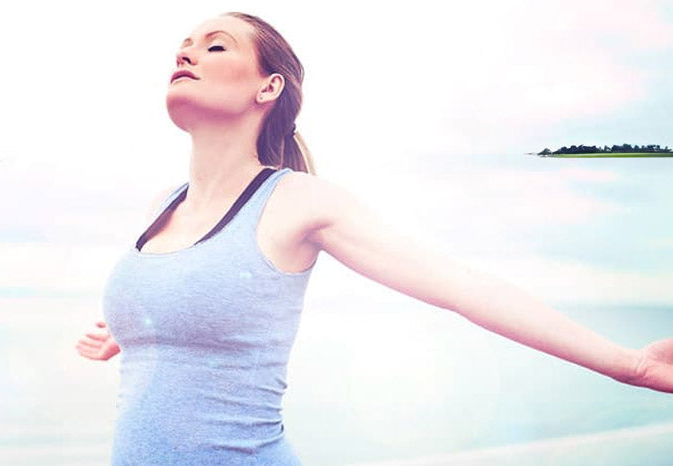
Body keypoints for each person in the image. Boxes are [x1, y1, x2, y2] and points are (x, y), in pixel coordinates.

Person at [75, 11, 673, 465]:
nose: (188, 54)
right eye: (183, 47)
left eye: (215, 46)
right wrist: (132, 327)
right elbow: (199, 310)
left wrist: (630, 365)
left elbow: (462, 288)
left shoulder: (296, 201)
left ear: (268, 89)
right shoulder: (162, 206)